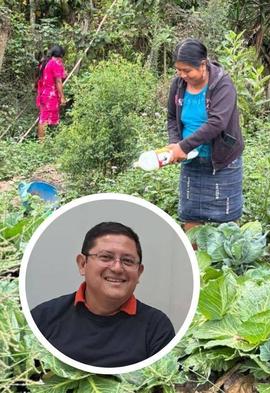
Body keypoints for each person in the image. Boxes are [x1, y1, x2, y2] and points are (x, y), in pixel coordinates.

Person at [31, 222, 175, 368]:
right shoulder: (43, 318)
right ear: (82, 264)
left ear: (139, 272)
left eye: (128, 261)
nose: (117, 268)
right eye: (106, 257)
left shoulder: (157, 327)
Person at [167, 38, 244, 234]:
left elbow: (217, 122)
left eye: (187, 70)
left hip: (222, 160)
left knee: (227, 217)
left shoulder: (222, 85)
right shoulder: (178, 85)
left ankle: (229, 260)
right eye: (178, 70)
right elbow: (171, 118)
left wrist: (184, 146)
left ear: (202, 65)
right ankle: (195, 260)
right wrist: (175, 143)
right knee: (191, 213)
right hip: (192, 162)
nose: (182, 75)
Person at [36, 44, 66, 141]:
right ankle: (42, 143)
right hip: (50, 96)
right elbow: (58, 81)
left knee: (45, 118)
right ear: (60, 55)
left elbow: (51, 77)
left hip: (44, 93)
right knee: (44, 120)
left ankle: (45, 142)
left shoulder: (46, 62)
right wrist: (62, 97)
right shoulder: (56, 63)